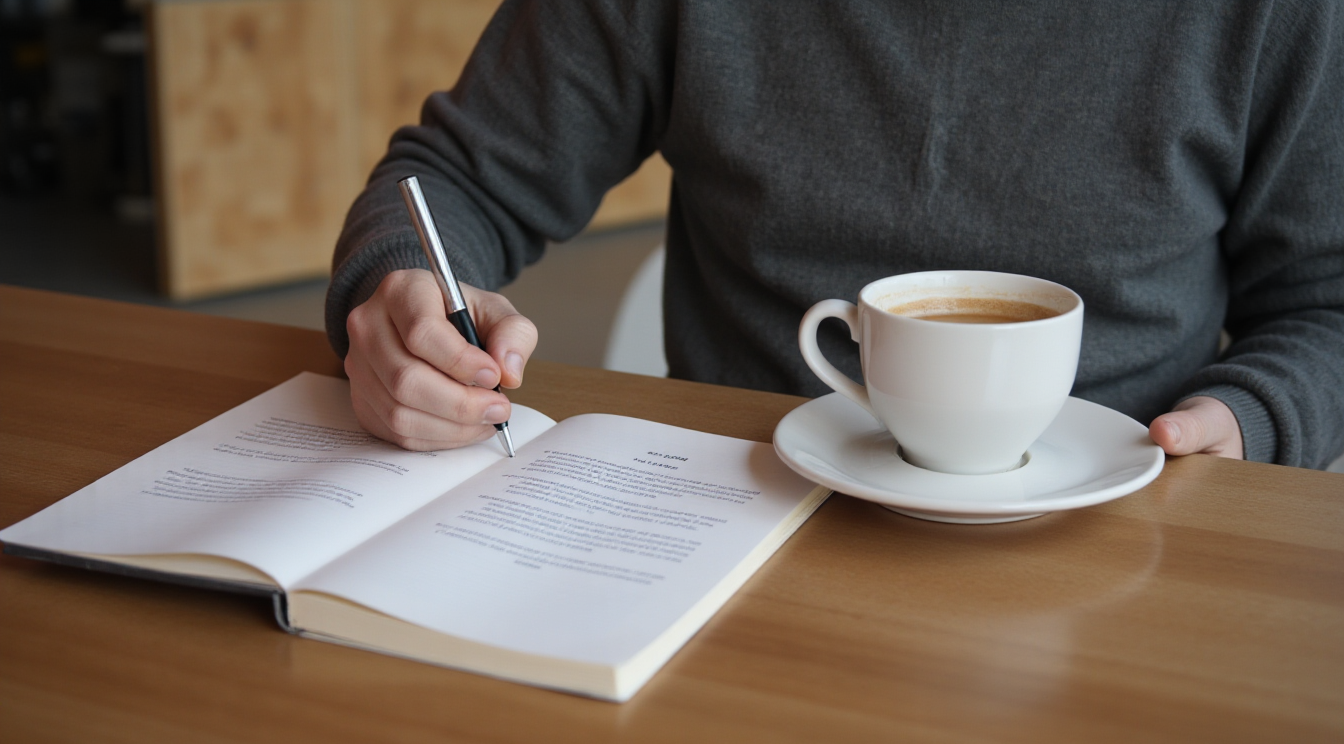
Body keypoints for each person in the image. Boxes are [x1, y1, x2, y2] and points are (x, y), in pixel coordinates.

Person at [326, 0, 1344, 468]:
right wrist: (400, 290)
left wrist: (1256, 415)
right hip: (733, 526)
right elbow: (451, 180)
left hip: (1126, 534)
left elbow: (1326, 304)